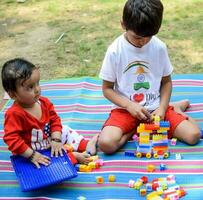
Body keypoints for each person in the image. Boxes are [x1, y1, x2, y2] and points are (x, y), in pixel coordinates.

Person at [98, 0, 201, 154]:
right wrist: (129, 105)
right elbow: (107, 89)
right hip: (125, 110)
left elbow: (166, 82)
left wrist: (162, 107)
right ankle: (135, 129)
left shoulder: (159, 47)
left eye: (149, 36)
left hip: (156, 109)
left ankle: (174, 108)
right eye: (138, 37)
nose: (143, 41)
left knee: (194, 136)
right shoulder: (115, 51)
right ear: (123, 24)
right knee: (106, 144)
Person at [1, 58, 98, 168]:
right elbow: (12, 139)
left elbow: (55, 120)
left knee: (65, 130)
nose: (37, 89)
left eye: (37, 83)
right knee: (43, 163)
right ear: (13, 95)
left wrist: (56, 139)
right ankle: (73, 157)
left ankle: (85, 144)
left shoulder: (44, 102)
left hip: (49, 139)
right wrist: (31, 155)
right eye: (30, 87)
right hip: (33, 148)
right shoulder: (14, 114)